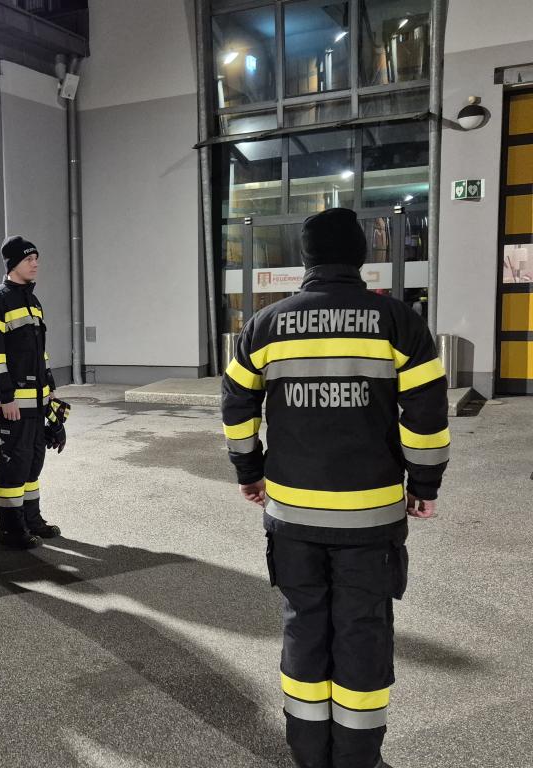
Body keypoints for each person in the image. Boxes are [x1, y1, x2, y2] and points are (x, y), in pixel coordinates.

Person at [221, 208, 449, 768]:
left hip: (293, 513)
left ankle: (308, 753)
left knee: (304, 624)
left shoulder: (265, 324)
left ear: (306, 258)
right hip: (370, 517)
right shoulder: (397, 321)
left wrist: (249, 471)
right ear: (361, 256)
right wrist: (424, 483)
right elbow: (426, 414)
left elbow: (236, 404)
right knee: (362, 629)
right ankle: (356, 757)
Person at [0, 235, 61, 549]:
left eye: (36, 258)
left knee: (32, 462)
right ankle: (11, 529)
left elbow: (40, 353)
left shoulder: (32, 301)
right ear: (13, 264)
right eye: (29, 259)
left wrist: (50, 390)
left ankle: (32, 520)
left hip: (38, 401)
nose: (35, 264)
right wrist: (6, 397)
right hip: (15, 403)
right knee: (14, 464)